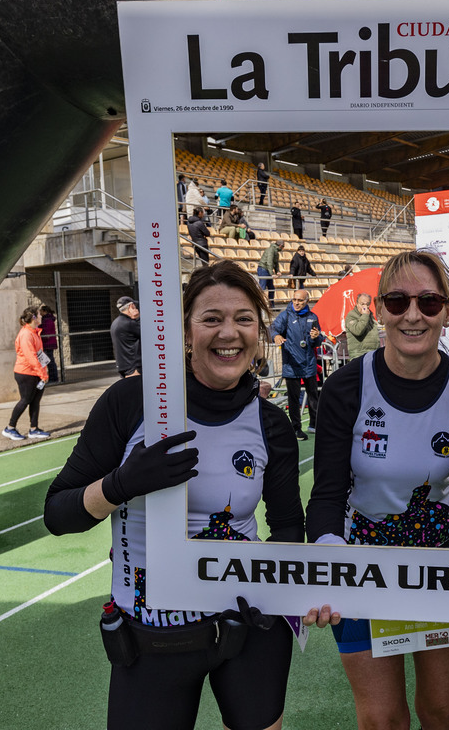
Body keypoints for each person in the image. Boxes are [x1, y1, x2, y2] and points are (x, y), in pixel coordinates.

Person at [44, 260, 304, 730]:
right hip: (153, 636)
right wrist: (120, 484)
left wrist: (276, 591)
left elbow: (288, 527)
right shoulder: (130, 404)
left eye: (244, 318)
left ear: (260, 332)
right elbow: (58, 514)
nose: (230, 332)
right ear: (185, 332)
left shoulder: (271, 424)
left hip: (248, 628)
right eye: (212, 319)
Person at [303, 250, 449, 730]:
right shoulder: (346, 388)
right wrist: (330, 558)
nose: (413, 314)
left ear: (448, 312)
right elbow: (327, 493)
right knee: (383, 719)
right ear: (380, 311)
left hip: (438, 568)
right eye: (398, 301)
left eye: (429, 302)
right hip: (362, 568)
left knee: (441, 712)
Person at [270, 290, 323, 440]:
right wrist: (277, 336)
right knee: (293, 399)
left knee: (314, 396)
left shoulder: (312, 317)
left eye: (300, 300)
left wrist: (316, 337)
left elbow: (316, 340)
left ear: (307, 300)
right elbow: (272, 328)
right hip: (291, 364)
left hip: (309, 363)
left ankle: (314, 424)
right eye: (294, 299)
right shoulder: (285, 315)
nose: (296, 303)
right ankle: (296, 429)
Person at [2, 308, 51, 442]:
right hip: (26, 373)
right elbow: (31, 357)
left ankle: (34, 429)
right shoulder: (26, 335)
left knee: (35, 401)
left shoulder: (34, 333)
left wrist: (43, 372)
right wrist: (43, 374)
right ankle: (10, 428)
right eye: (40, 315)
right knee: (25, 400)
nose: (42, 317)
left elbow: (38, 355)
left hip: (35, 373)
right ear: (34, 317)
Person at [110, 296, 141, 378]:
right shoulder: (129, 324)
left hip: (123, 366)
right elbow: (146, 335)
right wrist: (137, 317)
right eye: (135, 306)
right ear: (131, 306)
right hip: (133, 368)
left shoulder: (116, 323)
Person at [344, 293, 380, 359]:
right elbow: (357, 331)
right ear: (357, 303)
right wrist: (365, 315)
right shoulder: (351, 315)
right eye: (362, 304)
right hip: (359, 354)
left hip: (372, 353)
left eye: (367, 304)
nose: (365, 307)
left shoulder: (370, 315)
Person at [257, 239, 286, 308]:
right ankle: (259, 305)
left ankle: (271, 305)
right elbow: (269, 262)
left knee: (271, 288)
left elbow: (276, 263)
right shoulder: (271, 250)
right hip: (263, 269)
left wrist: (277, 271)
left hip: (268, 270)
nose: (283, 248)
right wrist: (272, 273)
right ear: (280, 245)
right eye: (283, 246)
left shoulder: (276, 252)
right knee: (262, 287)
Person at [38, 305, 59, 383]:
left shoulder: (47, 320)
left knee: (50, 362)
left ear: (45, 311)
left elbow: (45, 331)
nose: (40, 313)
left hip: (48, 343)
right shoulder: (47, 319)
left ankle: (53, 378)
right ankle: (53, 378)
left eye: (41, 311)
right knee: (49, 361)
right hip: (49, 343)